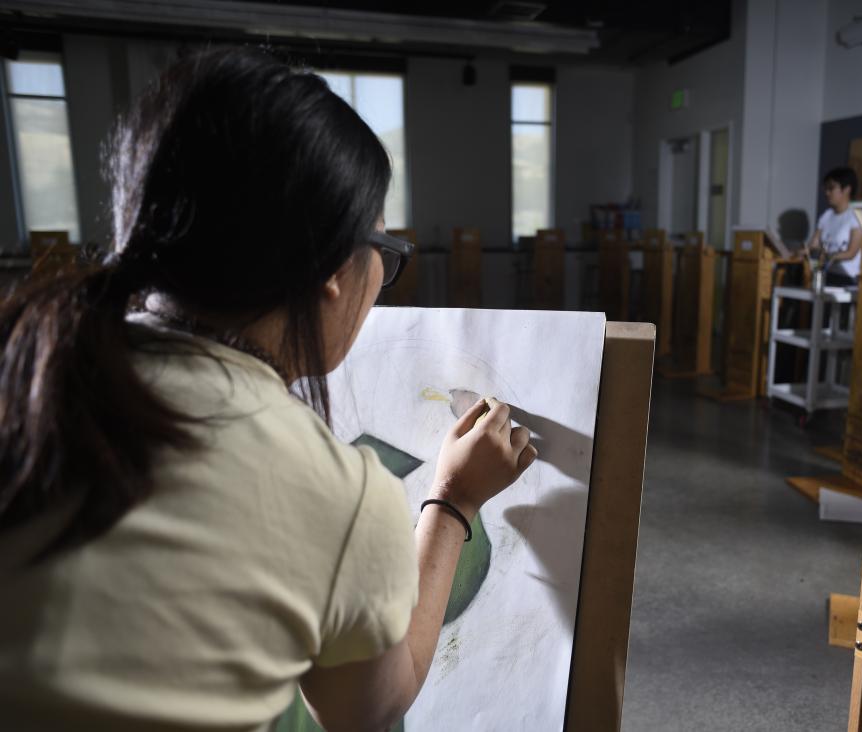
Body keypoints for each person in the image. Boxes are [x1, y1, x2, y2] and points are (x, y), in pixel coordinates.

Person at [0, 47, 536, 731]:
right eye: (382, 248)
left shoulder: (32, 367)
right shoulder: (333, 490)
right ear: (334, 269)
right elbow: (366, 708)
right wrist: (454, 500)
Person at [805, 167, 862, 286]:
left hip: (847, 277)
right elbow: (813, 245)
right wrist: (799, 252)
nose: (827, 193)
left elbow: (851, 252)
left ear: (846, 190)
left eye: (831, 188)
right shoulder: (827, 215)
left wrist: (828, 256)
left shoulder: (856, 216)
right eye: (826, 189)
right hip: (827, 274)